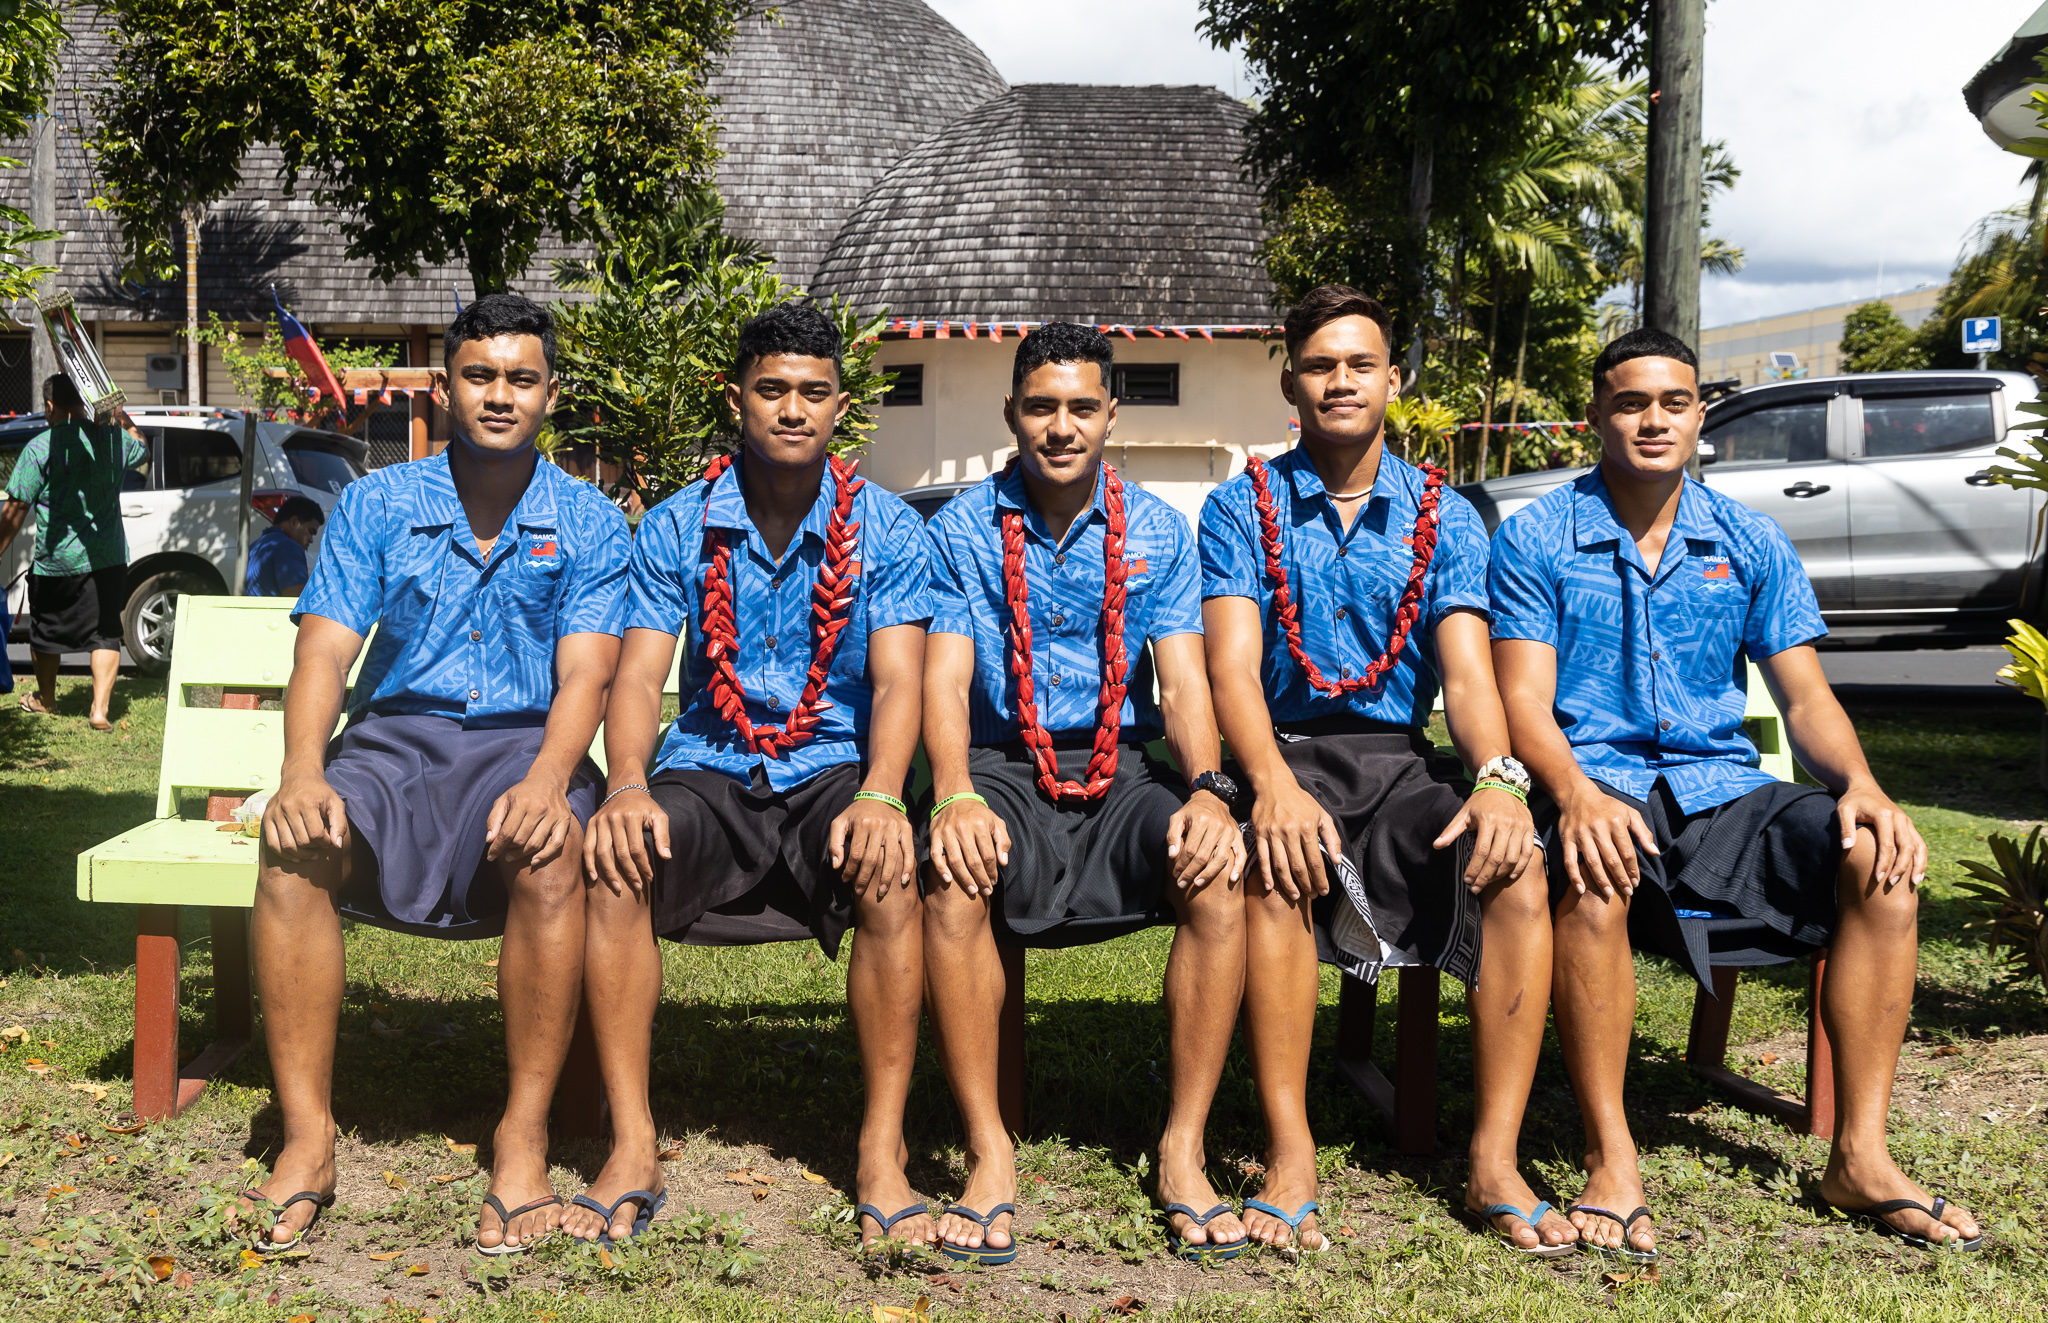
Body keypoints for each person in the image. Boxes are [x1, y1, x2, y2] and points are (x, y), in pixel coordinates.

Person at [1488, 326, 1983, 1259]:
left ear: (1700, 416)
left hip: (1720, 789)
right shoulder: (1538, 536)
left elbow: (1805, 695)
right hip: (1593, 781)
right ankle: (1611, 1154)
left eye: (1673, 402)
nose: (1652, 419)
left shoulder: (1750, 538)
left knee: (1880, 860)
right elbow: (1522, 700)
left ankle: (1861, 1155)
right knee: (1596, 870)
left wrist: (1864, 783)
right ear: (1595, 414)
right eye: (1630, 402)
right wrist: (1576, 793)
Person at [250, 293, 630, 1256]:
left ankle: (524, 1134)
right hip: (393, 745)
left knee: (553, 851)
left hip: (522, 745)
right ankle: (306, 1140)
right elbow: (326, 656)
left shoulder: (588, 519)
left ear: (551, 392)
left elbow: (586, 671)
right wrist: (301, 768)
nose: (500, 395)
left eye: (522, 378)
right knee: (293, 846)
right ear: (443, 384)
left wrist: (552, 780)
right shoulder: (379, 502)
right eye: (479, 374)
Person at [1200, 285, 1560, 1255]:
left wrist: (1494, 775)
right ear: (1289, 381)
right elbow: (1228, 670)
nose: (1340, 381)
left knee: (1515, 865)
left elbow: (1464, 673)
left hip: (1400, 766)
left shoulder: (1444, 515)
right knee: (1274, 869)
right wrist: (1268, 786)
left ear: (1393, 380)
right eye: (1319, 365)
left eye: (1360, 364)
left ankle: (1492, 1156)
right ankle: (1289, 1152)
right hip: (1285, 755)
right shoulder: (1240, 507)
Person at [575, 303, 934, 1250]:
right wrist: (625, 785)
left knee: (895, 870)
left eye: (813, 393)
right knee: (616, 859)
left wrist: (885, 795)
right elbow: (642, 673)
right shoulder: (676, 525)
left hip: (833, 770)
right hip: (711, 765)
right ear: (735, 398)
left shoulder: (888, 529)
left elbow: (898, 678)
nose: (791, 410)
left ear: (840, 407)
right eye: (771, 389)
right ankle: (633, 1140)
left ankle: (882, 1147)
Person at [921, 322, 1248, 1265]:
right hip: (1001, 763)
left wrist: (1211, 790)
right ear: (1011, 415)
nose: (1059, 427)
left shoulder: (1157, 528)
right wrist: (951, 794)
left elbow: (1183, 684)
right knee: (952, 875)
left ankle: (1182, 1147)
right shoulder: (963, 530)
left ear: (1111, 413)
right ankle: (988, 1149)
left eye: (1078, 407)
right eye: (1039, 407)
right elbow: (946, 680)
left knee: (1216, 870)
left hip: (1125, 764)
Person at [0, 374, 147, 729]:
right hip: (108, 558)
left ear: (50, 405)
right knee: (105, 632)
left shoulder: (41, 447)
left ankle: (46, 699)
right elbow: (140, 444)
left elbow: (16, 508)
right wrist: (118, 412)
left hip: (56, 563)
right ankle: (99, 710)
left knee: (46, 632)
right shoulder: (112, 441)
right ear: (84, 402)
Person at [245, 495, 326, 597]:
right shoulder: (288, 547)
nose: (311, 539)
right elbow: (297, 601)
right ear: (294, 523)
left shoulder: (256, 545)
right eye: (311, 531)